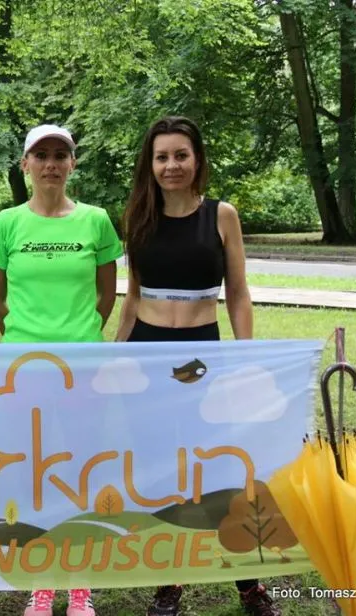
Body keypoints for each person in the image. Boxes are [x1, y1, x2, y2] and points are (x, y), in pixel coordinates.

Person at [116, 116, 279, 616]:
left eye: (180, 155)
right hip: (146, 354)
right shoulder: (138, 217)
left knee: (220, 468)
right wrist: (115, 355)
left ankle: (249, 585)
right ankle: (169, 582)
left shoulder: (221, 215)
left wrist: (246, 355)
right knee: (160, 471)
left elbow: (239, 293)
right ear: (150, 164)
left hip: (202, 355)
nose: (171, 165)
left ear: (197, 159)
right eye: (162, 157)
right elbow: (132, 298)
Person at [0, 124, 122, 615]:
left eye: (61, 155)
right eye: (41, 155)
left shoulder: (96, 221)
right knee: (34, 472)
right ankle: (42, 582)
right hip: (23, 370)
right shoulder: (5, 224)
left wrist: (79, 337)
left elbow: (107, 294)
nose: (51, 164)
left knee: (80, 470)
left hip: (84, 368)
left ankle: (79, 584)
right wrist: (28, 340)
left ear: (72, 164)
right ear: (25, 164)